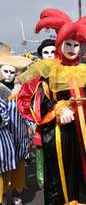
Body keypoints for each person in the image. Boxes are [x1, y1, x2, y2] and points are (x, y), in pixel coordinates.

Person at [18, 8, 86, 205]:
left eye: (76, 44)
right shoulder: (48, 70)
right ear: (60, 43)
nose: (72, 48)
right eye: (68, 43)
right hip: (60, 133)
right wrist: (58, 108)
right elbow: (35, 101)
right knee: (61, 174)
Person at [17, 38, 56, 189]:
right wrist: (37, 117)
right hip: (44, 128)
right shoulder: (34, 76)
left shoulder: (68, 72)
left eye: (53, 52)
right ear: (41, 55)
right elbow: (23, 100)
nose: (50, 55)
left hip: (67, 128)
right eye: (46, 53)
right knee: (44, 171)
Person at [0, 42, 32, 205]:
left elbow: (26, 111)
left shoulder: (20, 91)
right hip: (3, 139)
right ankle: (2, 194)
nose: (9, 75)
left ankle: (14, 192)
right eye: (6, 71)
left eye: (12, 72)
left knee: (18, 167)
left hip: (19, 136)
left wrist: (31, 127)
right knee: (3, 168)